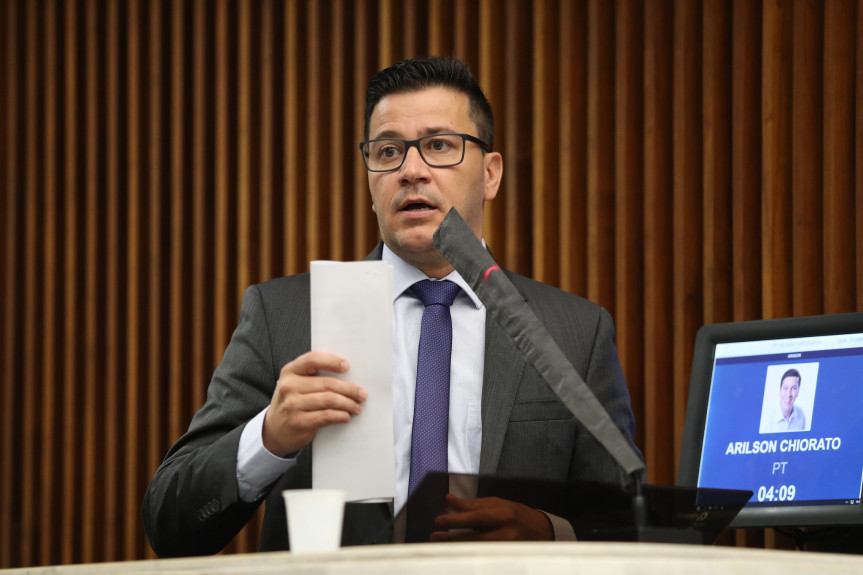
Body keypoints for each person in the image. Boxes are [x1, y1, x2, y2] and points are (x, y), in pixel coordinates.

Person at [142, 56, 643, 557]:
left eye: (439, 145)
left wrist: (547, 531)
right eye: (388, 151)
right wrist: (269, 438)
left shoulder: (575, 331)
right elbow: (170, 522)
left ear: (490, 175)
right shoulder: (286, 315)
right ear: (370, 179)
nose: (411, 170)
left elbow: (628, 527)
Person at [768, 368, 807, 432]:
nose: (789, 394)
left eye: (794, 388)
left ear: (798, 392)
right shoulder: (767, 418)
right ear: (780, 391)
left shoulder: (801, 415)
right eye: (785, 388)